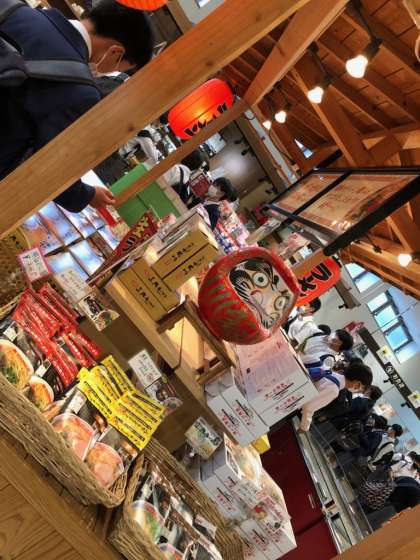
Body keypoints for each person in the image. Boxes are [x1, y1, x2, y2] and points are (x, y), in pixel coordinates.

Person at [0, 0, 154, 212]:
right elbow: (45, 171)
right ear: (115, 52)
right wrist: (86, 195)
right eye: (120, 67)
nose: (111, 72)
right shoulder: (81, 92)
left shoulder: (14, 8)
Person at [299, 362, 373, 433]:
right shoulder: (334, 390)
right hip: (296, 402)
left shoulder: (331, 372)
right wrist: (304, 427)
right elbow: (309, 407)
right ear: (358, 384)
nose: (359, 389)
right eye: (362, 387)